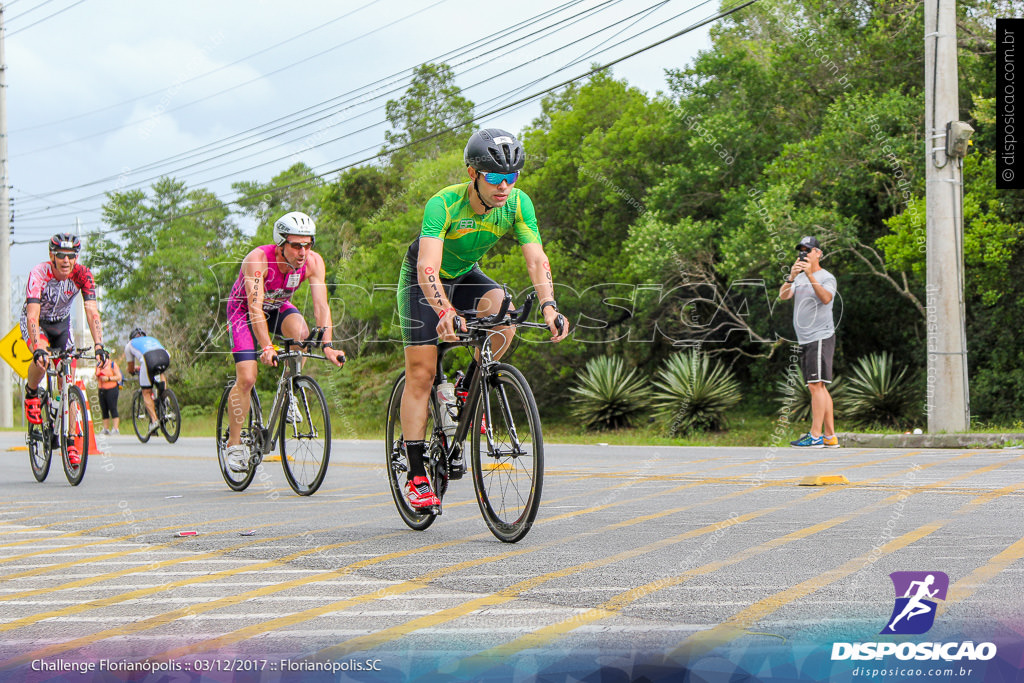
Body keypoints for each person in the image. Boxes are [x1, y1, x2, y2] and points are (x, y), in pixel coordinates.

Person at [396, 128, 570, 510]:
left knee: (505, 316)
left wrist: (550, 306)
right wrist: (444, 311)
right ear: (473, 173)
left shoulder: (518, 204)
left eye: (512, 177)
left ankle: (468, 387)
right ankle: (416, 474)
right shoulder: (443, 204)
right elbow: (428, 266)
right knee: (422, 373)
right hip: (422, 282)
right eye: (494, 177)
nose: (504, 186)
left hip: (465, 276)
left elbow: (536, 259)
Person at [223, 211, 346, 472]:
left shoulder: (313, 262)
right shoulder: (258, 259)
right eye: (296, 245)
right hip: (244, 313)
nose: (303, 251)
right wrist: (267, 346)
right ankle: (234, 444)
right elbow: (255, 308)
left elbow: (321, 306)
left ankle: (291, 393)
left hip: (277, 307)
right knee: (246, 378)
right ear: (280, 244)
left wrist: (327, 345)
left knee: (301, 334)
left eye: (308, 244)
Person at [20, 233, 109, 464]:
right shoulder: (39, 273)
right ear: (52, 255)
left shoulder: (83, 274)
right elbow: (32, 313)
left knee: (68, 378)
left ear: (76, 257)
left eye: (71, 256)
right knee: (42, 359)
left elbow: (91, 311)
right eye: (61, 255)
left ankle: (71, 440)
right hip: (37, 323)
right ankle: (31, 392)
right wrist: (38, 348)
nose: (66, 261)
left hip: (62, 325)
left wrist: (99, 345)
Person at [780, 235, 839, 448]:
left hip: (820, 336)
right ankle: (830, 437)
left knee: (815, 386)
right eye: (802, 250)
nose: (804, 253)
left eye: (808, 249)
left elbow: (825, 298)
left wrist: (809, 275)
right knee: (819, 387)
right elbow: (784, 296)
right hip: (805, 339)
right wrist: (792, 276)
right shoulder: (799, 277)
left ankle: (815, 436)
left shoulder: (826, 277)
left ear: (818, 253)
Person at [124, 329, 171, 437]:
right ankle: (165, 397)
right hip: (164, 357)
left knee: (146, 392)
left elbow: (131, 367)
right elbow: (167, 354)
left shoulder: (130, 344)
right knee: (160, 372)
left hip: (148, 360)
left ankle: (154, 421)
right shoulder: (152, 339)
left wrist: (132, 371)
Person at [95, 354, 123, 435]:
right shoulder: (98, 365)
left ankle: (115, 428)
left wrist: (108, 378)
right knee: (104, 409)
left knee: (113, 408)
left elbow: (119, 377)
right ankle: (106, 428)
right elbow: (96, 375)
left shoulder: (112, 364)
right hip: (101, 389)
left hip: (112, 388)